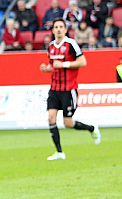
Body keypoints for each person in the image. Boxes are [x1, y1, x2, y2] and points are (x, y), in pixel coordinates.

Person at [39, 18, 101, 160]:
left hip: (68, 89)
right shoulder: (51, 46)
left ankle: (92, 128)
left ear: (65, 30)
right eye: (56, 27)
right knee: (51, 117)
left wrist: (65, 65)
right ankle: (59, 152)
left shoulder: (71, 44)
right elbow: (52, 66)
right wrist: (45, 69)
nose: (59, 29)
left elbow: (82, 62)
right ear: (53, 30)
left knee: (68, 123)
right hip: (54, 88)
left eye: (61, 27)